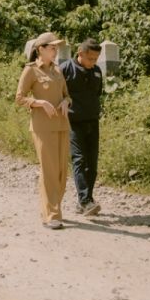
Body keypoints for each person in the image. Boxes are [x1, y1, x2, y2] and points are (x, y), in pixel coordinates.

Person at [15, 32, 72, 230]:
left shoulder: (57, 70)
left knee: (61, 172)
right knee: (49, 171)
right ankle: (52, 215)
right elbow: (20, 97)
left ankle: (51, 207)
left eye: (56, 48)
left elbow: (67, 95)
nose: (55, 51)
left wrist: (66, 101)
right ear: (40, 49)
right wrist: (38, 102)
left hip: (62, 125)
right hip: (42, 127)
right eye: (52, 48)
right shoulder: (30, 71)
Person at [60, 39, 104, 216]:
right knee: (79, 159)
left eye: (96, 59)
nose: (93, 62)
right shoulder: (65, 69)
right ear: (80, 53)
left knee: (92, 164)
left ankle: (85, 201)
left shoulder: (97, 72)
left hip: (92, 121)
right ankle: (85, 201)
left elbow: (97, 93)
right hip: (73, 121)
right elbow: (58, 94)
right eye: (90, 58)